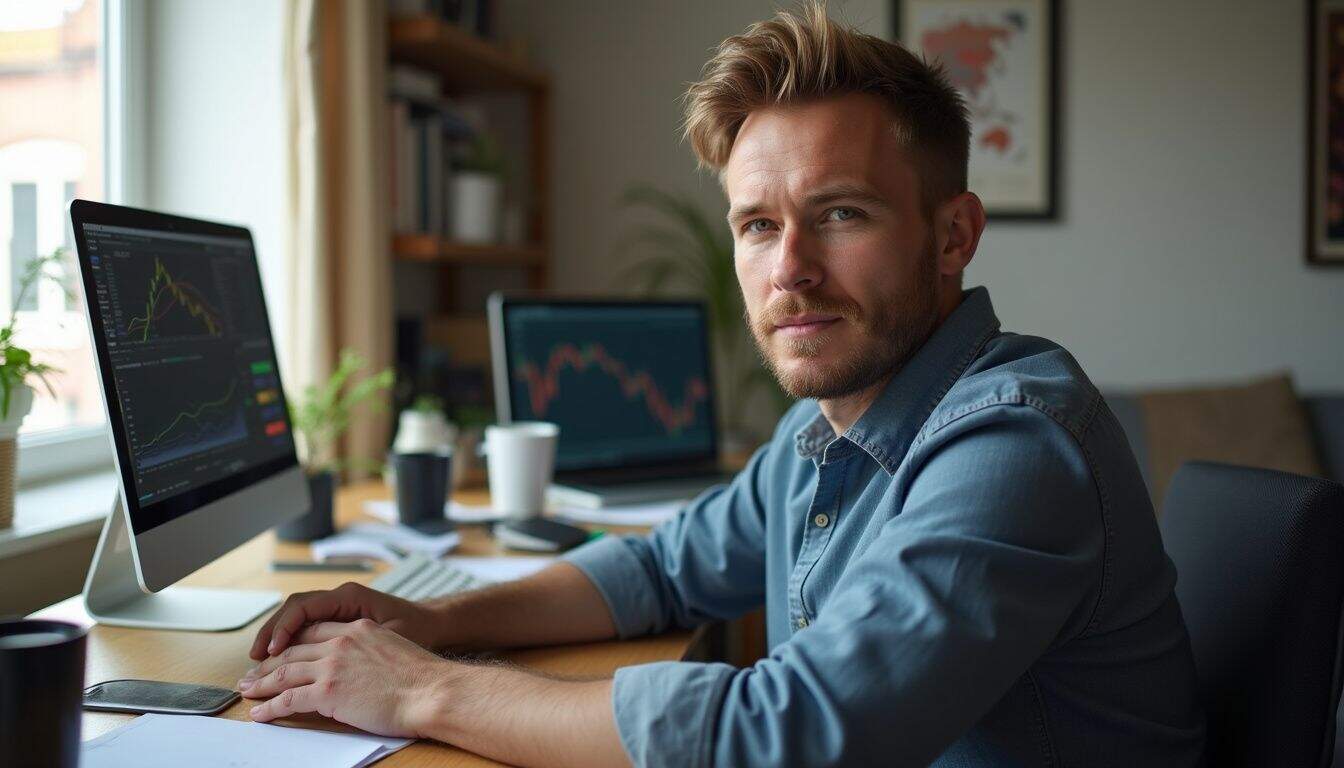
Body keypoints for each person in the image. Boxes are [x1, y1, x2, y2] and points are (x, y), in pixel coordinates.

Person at [237, 4, 1206, 766]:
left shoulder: (1015, 446)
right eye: (756, 225)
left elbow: (790, 736)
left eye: (840, 214)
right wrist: (435, 620)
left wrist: (419, 690)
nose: (789, 269)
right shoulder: (826, 429)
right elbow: (661, 571)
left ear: (952, 235)